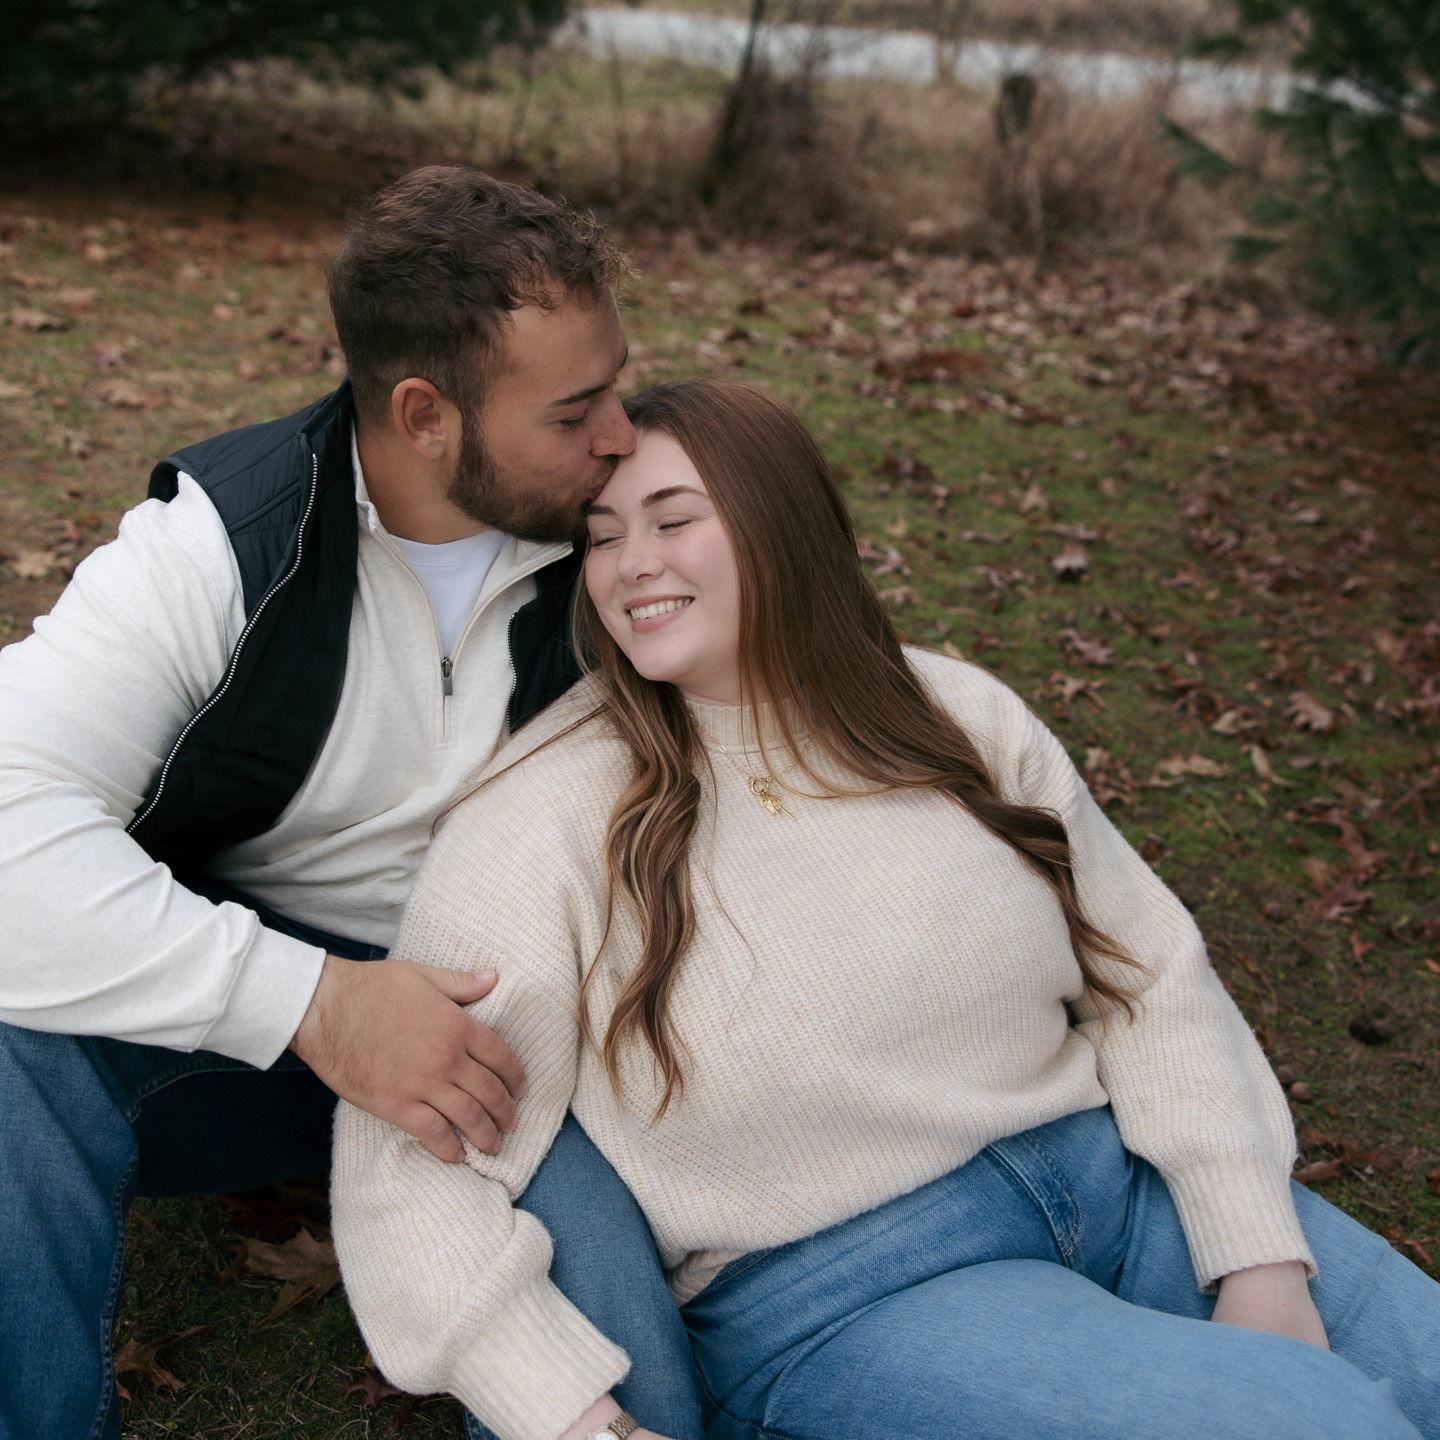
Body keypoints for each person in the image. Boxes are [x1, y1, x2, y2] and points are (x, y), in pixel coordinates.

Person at [331, 377, 1440, 1440]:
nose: (633, 565)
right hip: (857, 1290)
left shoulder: (955, 713)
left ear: (782, 526)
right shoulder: (543, 817)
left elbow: (1146, 974)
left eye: (674, 520)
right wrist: (575, 1421)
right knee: (1323, 1424)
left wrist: (1254, 1254)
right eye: (605, 534)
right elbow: (409, 1159)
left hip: (1122, 1185)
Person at [0, 166, 707, 1440]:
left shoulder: (637, 536)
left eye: (617, 386)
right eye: (573, 411)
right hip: (243, 1035)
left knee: (618, 1372)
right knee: (11, 1044)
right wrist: (316, 1003)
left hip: (520, 1040)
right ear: (424, 414)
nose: (618, 434)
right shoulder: (228, 542)